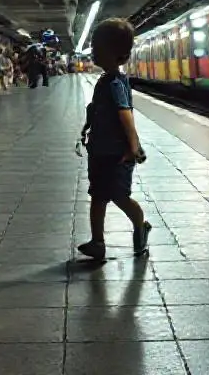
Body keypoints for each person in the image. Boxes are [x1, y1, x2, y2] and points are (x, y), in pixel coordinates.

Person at [77, 18, 151, 259]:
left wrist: (133, 146)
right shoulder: (106, 80)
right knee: (97, 196)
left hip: (117, 152)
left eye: (97, 47)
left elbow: (125, 114)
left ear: (113, 53)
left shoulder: (115, 83)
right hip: (100, 149)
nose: (93, 52)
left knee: (120, 197)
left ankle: (140, 226)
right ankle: (97, 242)